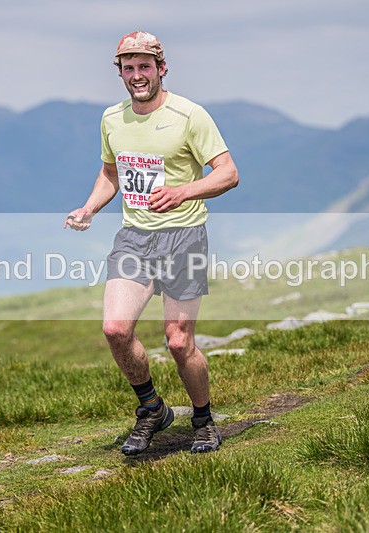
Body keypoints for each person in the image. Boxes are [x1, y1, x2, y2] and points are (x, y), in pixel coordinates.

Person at [64, 30, 239, 455]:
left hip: (184, 238)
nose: (137, 75)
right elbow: (111, 173)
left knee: (179, 342)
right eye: (129, 67)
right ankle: (152, 409)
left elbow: (228, 173)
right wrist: (89, 208)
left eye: (145, 66)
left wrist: (183, 191)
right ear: (120, 72)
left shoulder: (190, 115)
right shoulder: (112, 119)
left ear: (162, 69)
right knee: (115, 329)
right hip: (134, 239)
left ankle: (203, 419)